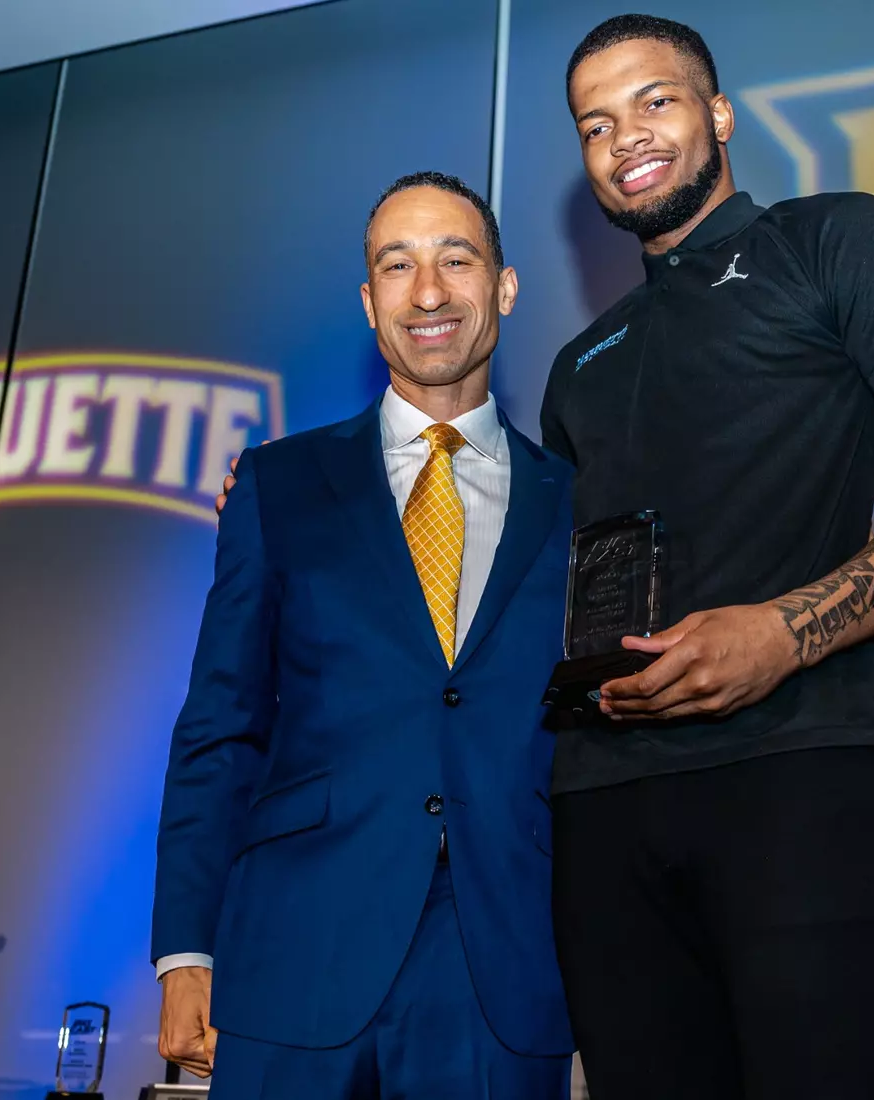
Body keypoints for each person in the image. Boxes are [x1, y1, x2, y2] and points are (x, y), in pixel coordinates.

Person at [537, 15, 874, 1099]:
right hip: (603, 810)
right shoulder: (578, 365)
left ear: (719, 115)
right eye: (596, 122)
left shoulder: (830, 241)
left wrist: (781, 631)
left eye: (655, 101)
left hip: (803, 777)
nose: (626, 135)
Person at [155, 171, 574, 1100]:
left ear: (503, 288)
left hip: (508, 968)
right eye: (398, 265)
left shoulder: (581, 502)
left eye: (456, 260)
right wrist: (186, 948)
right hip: (291, 959)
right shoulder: (276, 483)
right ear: (368, 302)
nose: (428, 292)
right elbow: (220, 726)